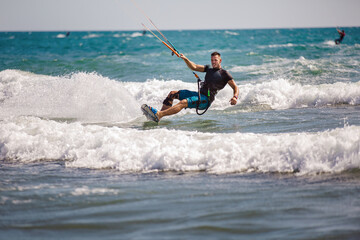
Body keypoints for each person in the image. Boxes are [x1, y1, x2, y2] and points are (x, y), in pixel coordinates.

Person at [144, 52, 239, 122]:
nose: (213, 62)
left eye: (215, 60)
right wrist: (185, 59)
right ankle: (158, 117)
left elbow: (235, 87)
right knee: (173, 94)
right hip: (199, 94)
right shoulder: (209, 69)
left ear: (220, 60)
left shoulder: (224, 74)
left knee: (183, 102)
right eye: (212, 60)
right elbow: (194, 67)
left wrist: (235, 97)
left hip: (206, 100)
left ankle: (159, 115)